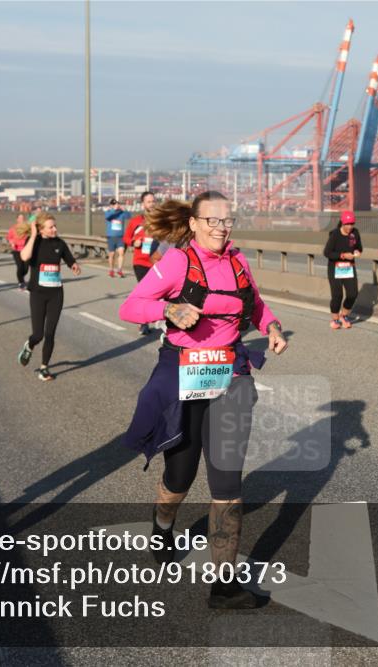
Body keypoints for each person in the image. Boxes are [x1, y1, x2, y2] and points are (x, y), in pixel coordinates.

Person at [118, 190, 288, 610]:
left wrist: (273, 327)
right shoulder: (178, 261)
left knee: (227, 480)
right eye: (212, 220)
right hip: (183, 373)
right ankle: (162, 525)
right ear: (193, 223)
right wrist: (169, 311)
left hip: (230, 374)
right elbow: (131, 305)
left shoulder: (238, 260)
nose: (221, 227)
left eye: (227, 220)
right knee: (180, 472)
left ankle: (224, 586)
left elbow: (256, 305)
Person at [16, 214, 82, 381]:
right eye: (51, 227)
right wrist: (32, 235)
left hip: (56, 294)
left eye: (55, 226)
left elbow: (69, 260)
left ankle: (44, 368)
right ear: (41, 229)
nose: (55, 229)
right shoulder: (35, 243)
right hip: (38, 294)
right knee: (38, 335)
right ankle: (29, 345)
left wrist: (74, 266)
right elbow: (24, 257)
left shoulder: (60, 243)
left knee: (50, 333)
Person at [123, 191, 163, 335]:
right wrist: (135, 242)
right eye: (149, 201)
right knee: (147, 293)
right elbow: (126, 238)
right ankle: (143, 322)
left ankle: (157, 319)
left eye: (153, 201)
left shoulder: (160, 220)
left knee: (158, 293)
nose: (151, 204)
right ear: (143, 204)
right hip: (140, 262)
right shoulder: (136, 221)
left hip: (157, 262)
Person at [323, 210, 363, 329]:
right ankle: (335, 319)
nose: (350, 227)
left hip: (348, 268)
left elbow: (359, 247)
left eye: (352, 224)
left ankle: (344, 315)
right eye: (347, 224)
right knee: (337, 295)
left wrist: (357, 251)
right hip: (335, 268)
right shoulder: (335, 235)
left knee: (353, 294)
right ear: (342, 223)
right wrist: (343, 255)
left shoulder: (355, 233)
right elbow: (327, 252)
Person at [105, 198, 129, 277]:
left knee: (121, 253)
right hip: (111, 237)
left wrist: (124, 210)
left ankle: (119, 270)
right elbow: (107, 217)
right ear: (111, 205)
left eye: (117, 204)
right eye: (114, 204)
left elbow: (129, 216)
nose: (116, 205)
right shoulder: (108, 212)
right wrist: (113, 210)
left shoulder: (121, 213)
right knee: (112, 254)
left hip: (120, 237)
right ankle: (111, 270)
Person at [7, 213, 31, 289]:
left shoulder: (27, 228)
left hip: (26, 250)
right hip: (16, 250)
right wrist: (12, 243)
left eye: (23, 218)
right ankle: (21, 282)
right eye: (20, 218)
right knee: (20, 266)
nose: (21, 220)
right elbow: (9, 237)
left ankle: (21, 277)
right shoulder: (13, 228)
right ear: (17, 219)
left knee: (26, 268)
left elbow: (31, 236)